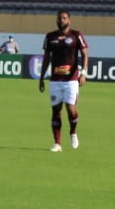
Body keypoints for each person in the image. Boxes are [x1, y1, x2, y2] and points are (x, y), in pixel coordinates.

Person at [38, 9, 89, 152]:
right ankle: (57, 144)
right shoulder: (50, 37)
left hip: (71, 80)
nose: (61, 20)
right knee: (55, 111)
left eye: (64, 18)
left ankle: (73, 131)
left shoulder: (76, 35)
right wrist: (41, 77)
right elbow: (46, 58)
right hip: (55, 80)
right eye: (59, 18)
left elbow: (85, 53)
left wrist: (83, 73)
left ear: (69, 20)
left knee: (71, 109)